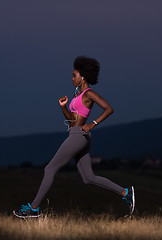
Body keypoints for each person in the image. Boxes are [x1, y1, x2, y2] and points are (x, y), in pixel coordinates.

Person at [13, 56, 135, 218]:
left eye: (74, 75)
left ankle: (33, 208)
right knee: (88, 178)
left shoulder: (89, 94)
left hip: (79, 136)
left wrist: (93, 123)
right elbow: (72, 119)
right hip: (78, 134)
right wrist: (63, 107)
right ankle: (125, 192)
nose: (72, 79)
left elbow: (108, 109)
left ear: (82, 76)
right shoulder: (78, 96)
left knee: (49, 169)